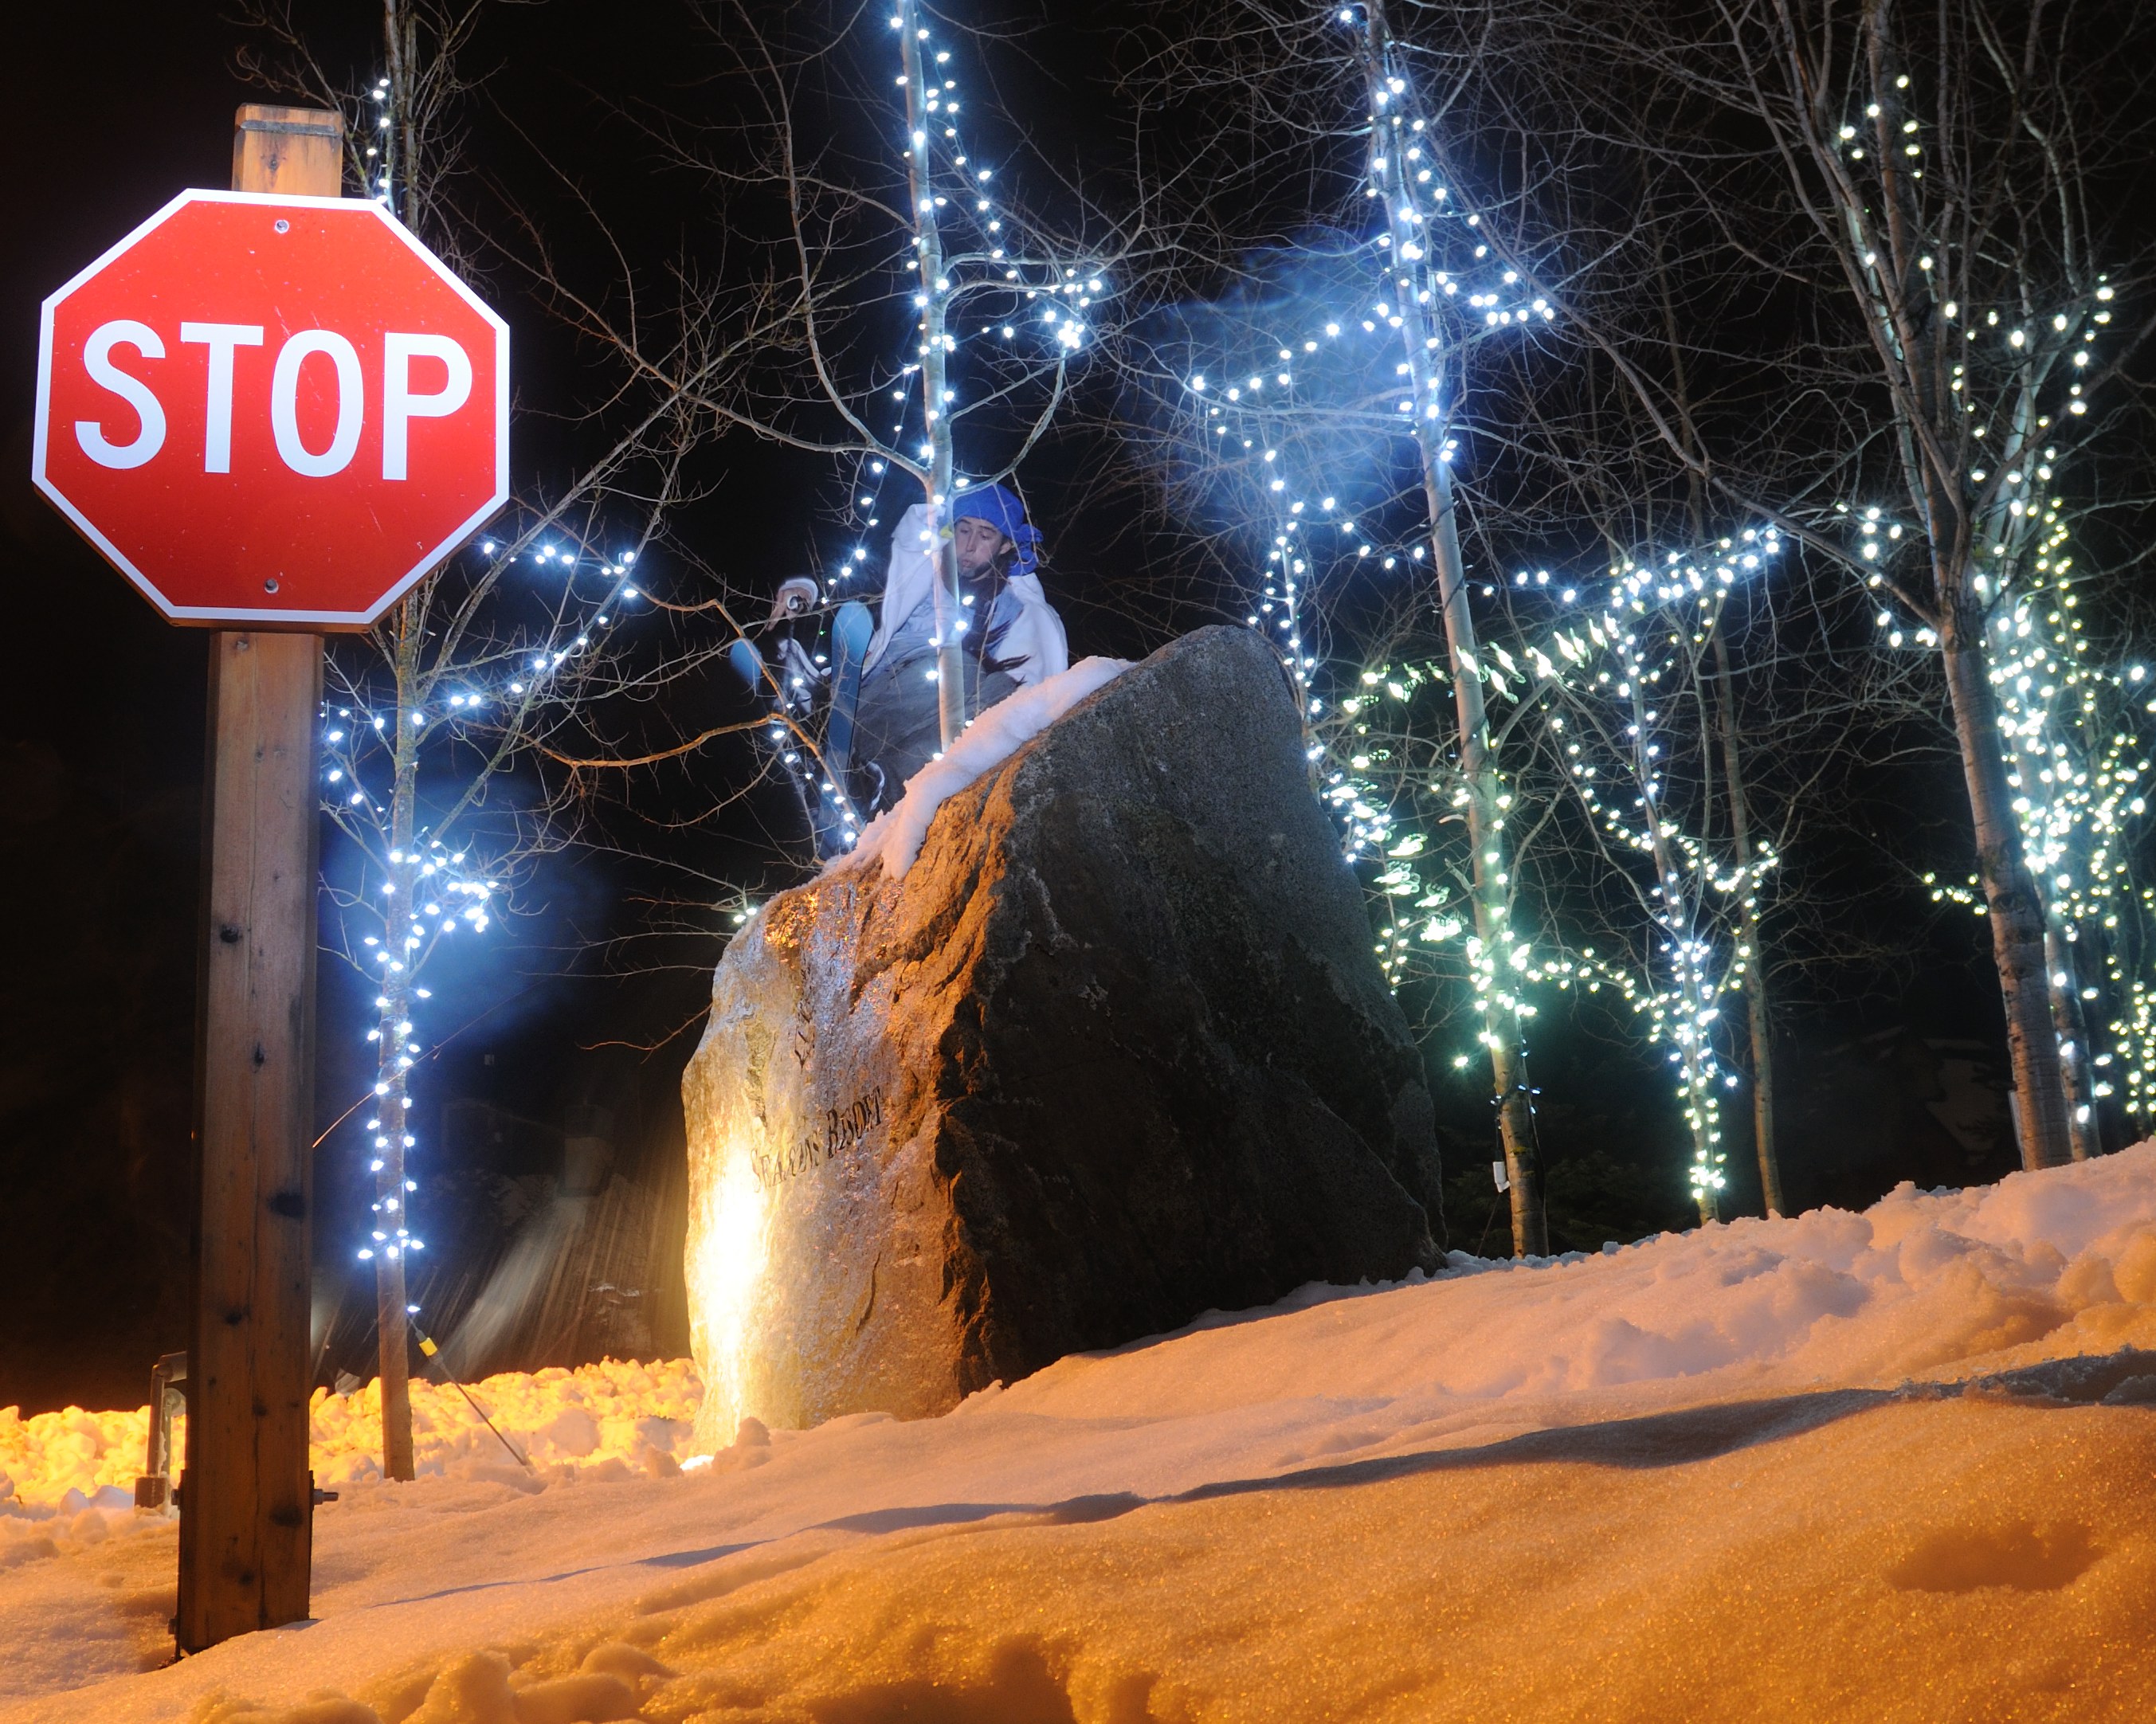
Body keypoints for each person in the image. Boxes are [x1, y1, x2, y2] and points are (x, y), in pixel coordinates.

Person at [847, 483, 1068, 813]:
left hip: (925, 720)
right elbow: (858, 577)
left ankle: (882, 784)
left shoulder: (1010, 605)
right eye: (963, 529)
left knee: (1005, 702)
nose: (969, 545)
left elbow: (1036, 676)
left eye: (985, 535)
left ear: (1006, 545)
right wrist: (802, 587)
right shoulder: (925, 566)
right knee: (961, 667)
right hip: (885, 689)